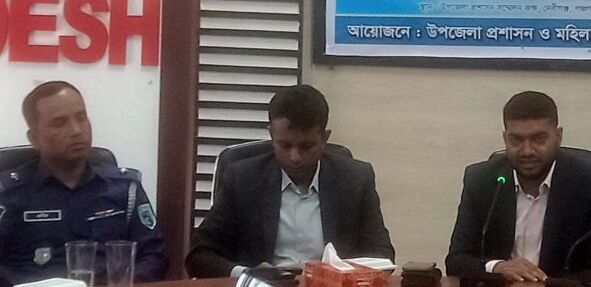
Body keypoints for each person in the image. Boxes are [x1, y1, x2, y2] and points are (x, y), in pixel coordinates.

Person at [186, 84, 394, 278]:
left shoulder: (355, 179)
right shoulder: (243, 179)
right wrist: (247, 274)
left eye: (306, 146)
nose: (295, 157)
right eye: (285, 145)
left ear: (324, 139)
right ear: (271, 134)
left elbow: (381, 254)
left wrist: (344, 274)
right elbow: (199, 256)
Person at [0, 81, 169, 285]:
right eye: (60, 122)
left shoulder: (125, 190)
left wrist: (124, 281)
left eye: (81, 118)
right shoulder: (8, 195)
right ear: (34, 138)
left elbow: (154, 256)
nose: (76, 130)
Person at [446, 91, 591, 283]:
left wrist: (544, 283)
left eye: (539, 139)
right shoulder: (481, 180)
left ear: (558, 136)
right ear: (505, 138)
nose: (527, 151)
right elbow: (456, 261)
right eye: (516, 140)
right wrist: (498, 267)